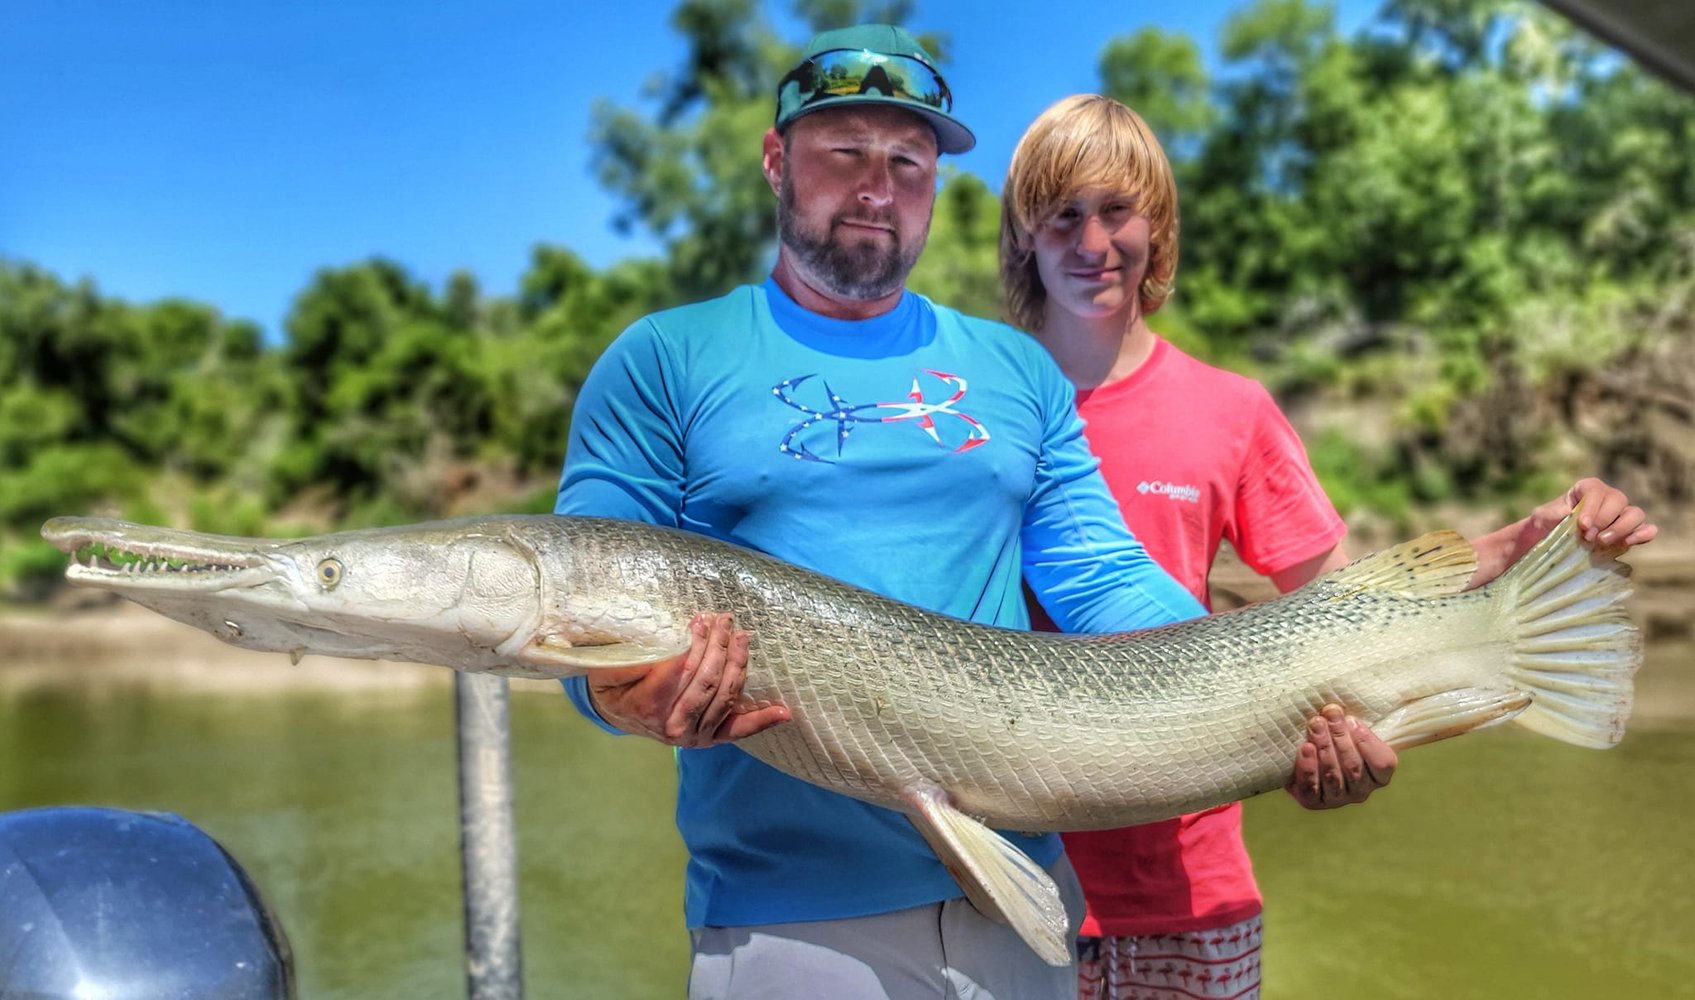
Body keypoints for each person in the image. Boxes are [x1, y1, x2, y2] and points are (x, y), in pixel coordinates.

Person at [997, 93, 1660, 1000]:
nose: (1090, 242)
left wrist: (1522, 542)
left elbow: (1345, 611)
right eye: (1061, 215)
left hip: (1196, 897)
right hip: (999, 892)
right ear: (1023, 237)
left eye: (1116, 210)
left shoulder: (1231, 411)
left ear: (1158, 227)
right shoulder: (967, 407)